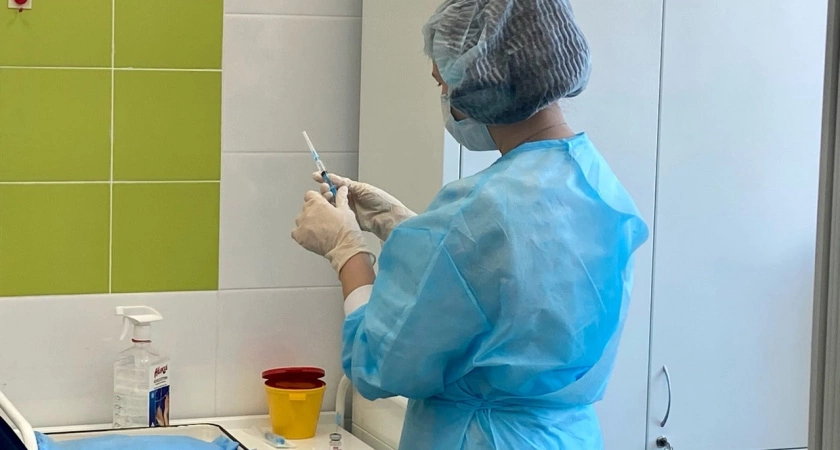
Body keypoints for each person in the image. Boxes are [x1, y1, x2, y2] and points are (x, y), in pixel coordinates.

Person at [291, 0, 649, 448]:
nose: (445, 97)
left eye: (442, 83)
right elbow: (509, 283)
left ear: (481, 82)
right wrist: (399, 225)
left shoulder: (482, 209)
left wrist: (346, 249)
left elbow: (376, 364)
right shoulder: (598, 184)